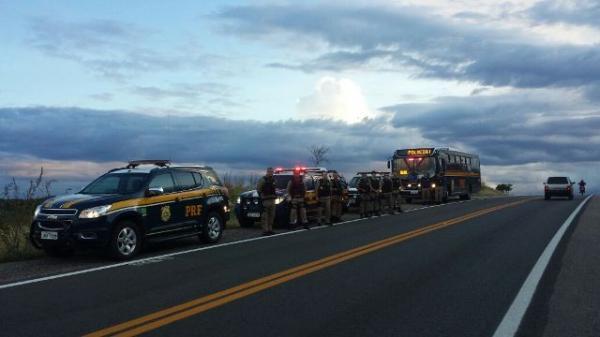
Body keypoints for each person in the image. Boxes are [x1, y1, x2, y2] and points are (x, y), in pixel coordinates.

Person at [256, 167, 277, 235]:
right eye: (269, 171)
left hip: (272, 199)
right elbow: (258, 189)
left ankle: (270, 229)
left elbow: (275, 188)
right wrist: (261, 197)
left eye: (272, 171)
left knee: (272, 215)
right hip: (265, 200)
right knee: (265, 216)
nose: (271, 173)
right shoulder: (263, 180)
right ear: (267, 172)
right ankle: (265, 230)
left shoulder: (273, 180)